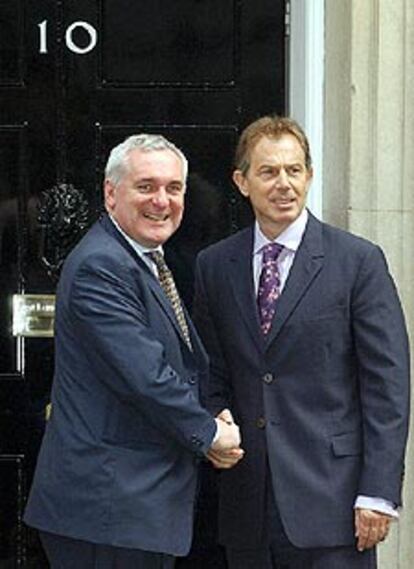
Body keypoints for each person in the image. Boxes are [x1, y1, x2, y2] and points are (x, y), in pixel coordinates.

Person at [192, 115, 410, 569]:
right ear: (242, 181)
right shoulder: (214, 266)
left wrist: (378, 492)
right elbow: (210, 369)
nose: (284, 184)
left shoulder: (357, 262)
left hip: (335, 504)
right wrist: (213, 422)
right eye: (269, 172)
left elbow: (388, 386)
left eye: (294, 170)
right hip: (247, 502)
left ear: (309, 175)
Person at [24, 134, 243, 569]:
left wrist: (207, 413)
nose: (161, 201)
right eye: (145, 186)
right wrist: (211, 434)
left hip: (132, 511)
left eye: (173, 188)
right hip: (106, 513)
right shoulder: (101, 266)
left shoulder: (146, 258)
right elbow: (146, 377)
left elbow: (177, 365)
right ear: (111, 193)